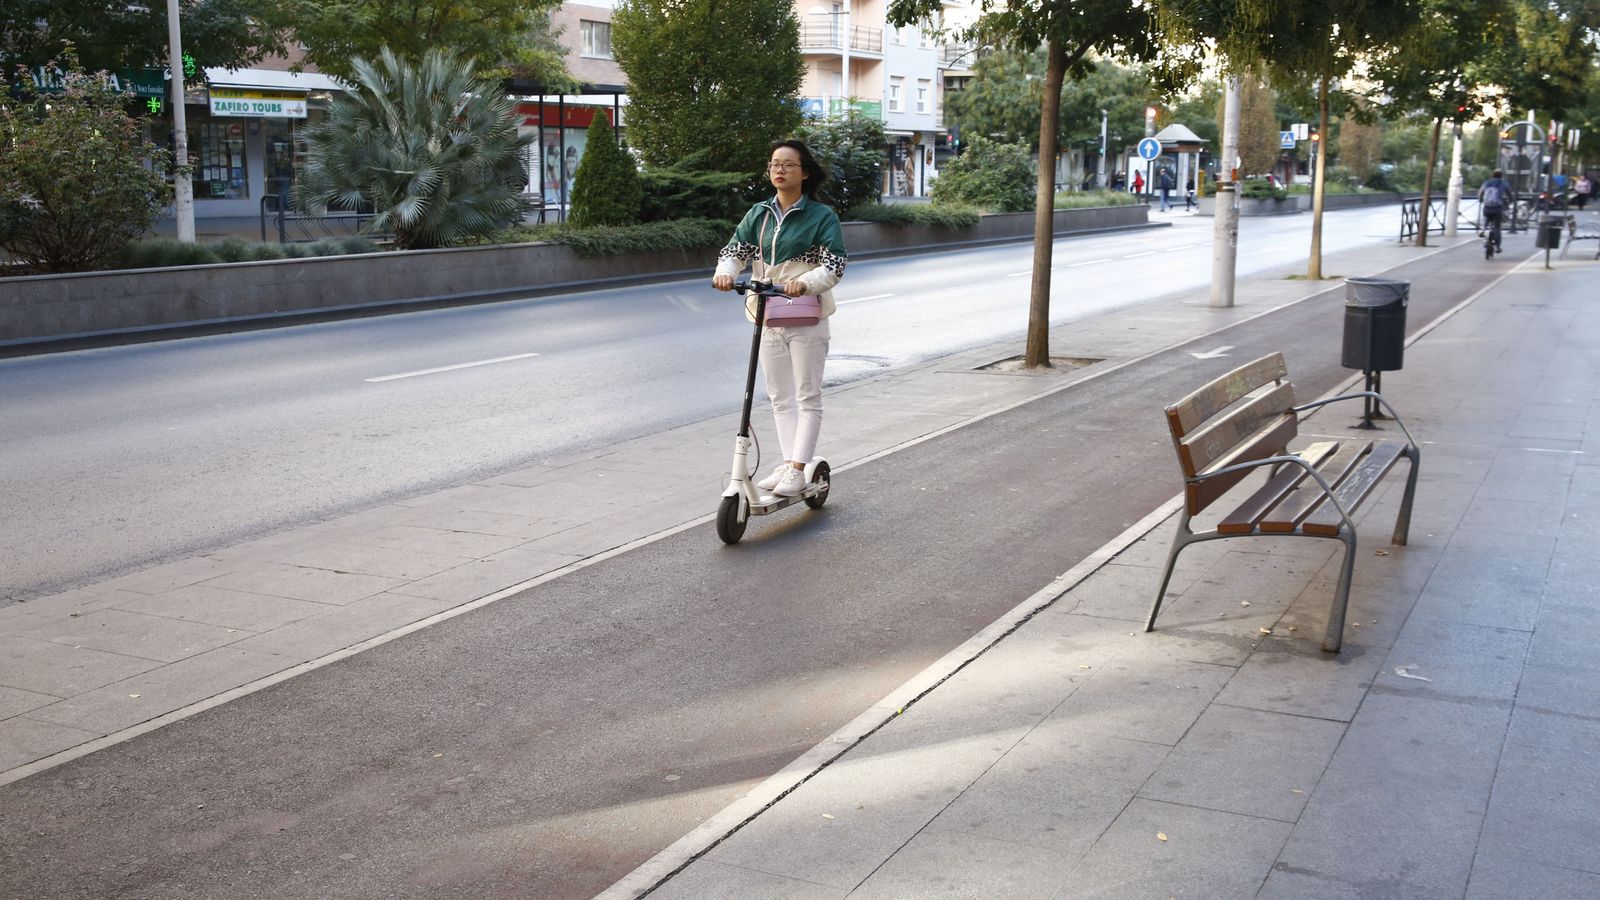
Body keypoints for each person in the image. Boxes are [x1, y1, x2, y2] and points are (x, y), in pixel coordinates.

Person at [712, 140, 847, 498]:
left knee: (807, 395)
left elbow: (834, 265)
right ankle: (790, 463)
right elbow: (733, 251)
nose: (779, 170)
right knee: (779, 397)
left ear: (804, 172)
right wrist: (725, 272)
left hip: (806, 316)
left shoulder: (821, 216)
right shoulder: (759, 213)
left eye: (788, 165)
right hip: (767, 312)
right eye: (774, 164)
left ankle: (799, 468)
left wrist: (803, 284)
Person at [1478, 168, 1511, 253]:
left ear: (1493, 175)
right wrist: (1510, 201)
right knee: (1497, 228)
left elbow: (1480, 194)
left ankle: (1483, 230)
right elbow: (1510, 195)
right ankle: (1498, 247)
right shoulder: (1503, 184)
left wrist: (1481, 200)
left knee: (1486, 218)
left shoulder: (1487, 183)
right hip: (1497, 208)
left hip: (1487, 207)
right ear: (1501, 176)